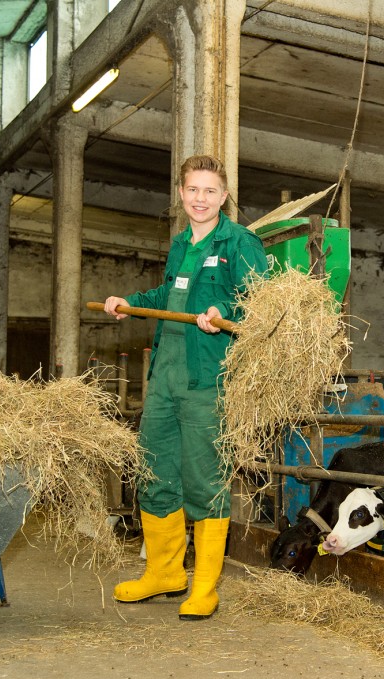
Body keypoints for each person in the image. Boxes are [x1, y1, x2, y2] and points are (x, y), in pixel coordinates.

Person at [104, 154, 268, 620]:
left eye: (210, 191)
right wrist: (129, 303)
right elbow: (167, 296)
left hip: (207, 381)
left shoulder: (240, 243)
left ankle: (206, 586)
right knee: (154, 474)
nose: (201, 199)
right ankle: (164, 573)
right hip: (164, 379)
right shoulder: (180, 245)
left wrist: (225, 320)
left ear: (224, 196)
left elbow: (264, 306)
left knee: (203, 479)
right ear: (181, 194)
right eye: (193, 190)